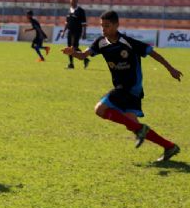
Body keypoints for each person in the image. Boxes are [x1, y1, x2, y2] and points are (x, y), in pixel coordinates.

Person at [62, 10, 182, 162]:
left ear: (116, 25)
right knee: (133, 125)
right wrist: (73, 53)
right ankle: (169, 146)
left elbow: (152, 52)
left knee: (100, 109)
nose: (103, 29)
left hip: (130, 88)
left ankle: (141, 131)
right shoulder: (101, 42)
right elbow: (83, 55)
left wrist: (170, 69)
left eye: (107, 25)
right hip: (125, 90)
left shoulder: (128, 42)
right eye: (101, 26)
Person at [63, 0, 89, 69]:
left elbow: (84, 23)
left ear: (77, 2)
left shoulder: (81, 11)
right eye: (71, 1)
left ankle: (84, 59)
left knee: (74, 47)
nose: (72, 2)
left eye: (74, 1)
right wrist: (63, 31)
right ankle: (72, 64)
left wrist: (84, 33)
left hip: (77, 31)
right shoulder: (69, 10)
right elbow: (66, 22)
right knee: (69, 48)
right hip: (70, 31)